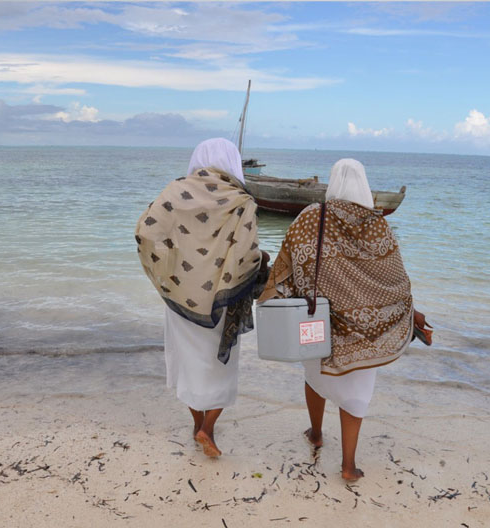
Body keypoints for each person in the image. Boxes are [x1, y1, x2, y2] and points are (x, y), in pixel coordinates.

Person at [258, 158, 430, 481]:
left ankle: (316, 433)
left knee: (314, 376)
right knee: (356, 393)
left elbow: (287, 263)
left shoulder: (311, 217)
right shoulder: (378, 224)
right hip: (367, 334)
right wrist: (411, 313)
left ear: (333, 183)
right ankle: (349, 465)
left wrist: (272, 294)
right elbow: (395, 281)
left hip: (320, 324)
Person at [135, 138, 269, 457]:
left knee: (189, 363)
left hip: (182, 297)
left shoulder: (176, 191)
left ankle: (197, 426)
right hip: (223, 298)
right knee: (219, 366)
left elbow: (147, 234)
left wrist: (170, 271)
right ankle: (208, 429)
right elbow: (248, 254)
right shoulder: (241, 200)